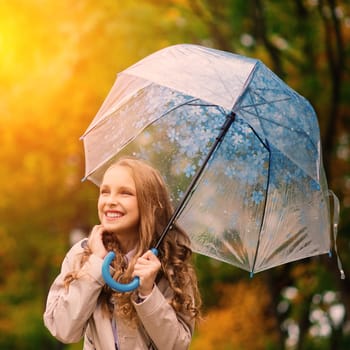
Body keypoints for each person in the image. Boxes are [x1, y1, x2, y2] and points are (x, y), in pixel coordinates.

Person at [43, 156, 201, 350]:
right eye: (105, 192)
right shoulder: (82, 254)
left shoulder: (170, 262)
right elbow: (63, 329)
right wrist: (95, 264)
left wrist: (148, 292)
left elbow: (177, 346)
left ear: (149, 204)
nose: (110, 201)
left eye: (125, 193)